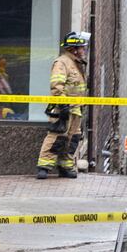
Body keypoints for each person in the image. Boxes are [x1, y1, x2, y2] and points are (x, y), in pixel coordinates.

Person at [36, 31, 90, 178]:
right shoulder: (62, 63)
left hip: (76, 109)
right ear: (74, 49)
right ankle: (44, 167)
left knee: (73, 138)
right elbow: (56, 85)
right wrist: (63, 104)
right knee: (57, 136)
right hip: (63, 109)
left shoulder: (76, 64)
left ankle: (65, 166)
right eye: (82, 48)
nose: (84, 50)